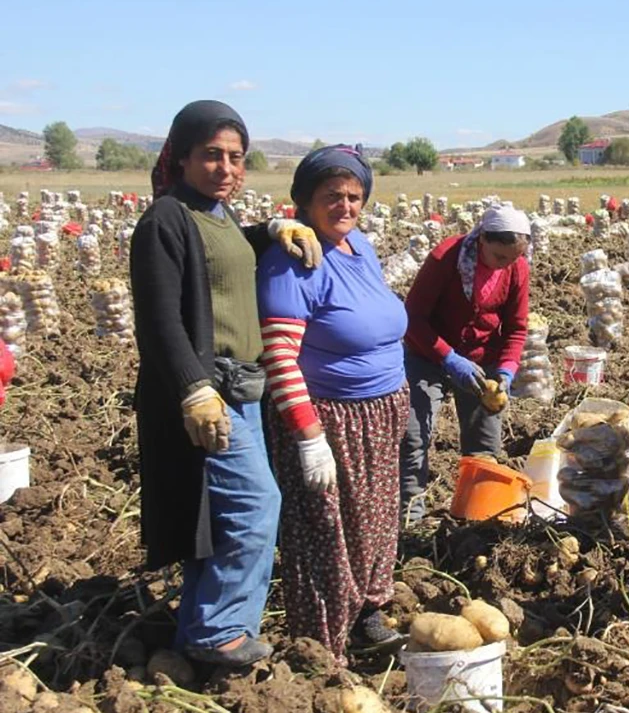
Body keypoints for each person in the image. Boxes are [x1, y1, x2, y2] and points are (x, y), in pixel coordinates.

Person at [130, 100, 321, 667]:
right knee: (255, 506)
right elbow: (159, 319)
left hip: (241, 389)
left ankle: (207, 625)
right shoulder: (165, 219)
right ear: (182, 157)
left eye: (236, 157)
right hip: (209, 392)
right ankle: (219, 633)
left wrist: (272, 230)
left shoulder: (215, 216)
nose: (226, 168)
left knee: (219, 515)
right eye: (211, 155)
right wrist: (193, 387)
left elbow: (227, 253)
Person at [256, 145, 409, 660]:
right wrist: (308, 433)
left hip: (379, 412)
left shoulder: (358, 246)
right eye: (332, 196)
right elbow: (279, 356)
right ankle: (321, 646)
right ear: (302, 200)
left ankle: (366, 615)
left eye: (354, 196)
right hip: (330, 420)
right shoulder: (292, 259)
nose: (345, 206)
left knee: (373, 525)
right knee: (324, 535)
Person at [400, 203, 530, 521]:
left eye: (513, 259)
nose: (505, 265)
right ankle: (409, 518)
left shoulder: (517, 268)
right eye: (500, 257)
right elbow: (412, 317)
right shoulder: (446, 259)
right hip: (428, 353)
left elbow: (516, 327)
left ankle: (475, 517)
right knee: (414, 436)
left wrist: (506, 371)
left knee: (484, 444)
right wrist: (448, 358)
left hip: (481, 358)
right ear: (482, 239)